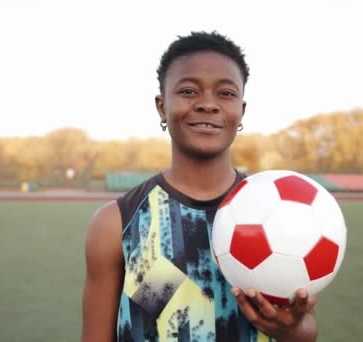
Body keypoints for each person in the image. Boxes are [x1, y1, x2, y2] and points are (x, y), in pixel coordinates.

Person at [82, 31, 317, 341]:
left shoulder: (278, 213)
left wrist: (293, 329)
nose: (208, 104)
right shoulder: (116, 222)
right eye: (189, 91)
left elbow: (306, 327)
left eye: (226, 94)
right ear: (162, 106)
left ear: (241, 112)